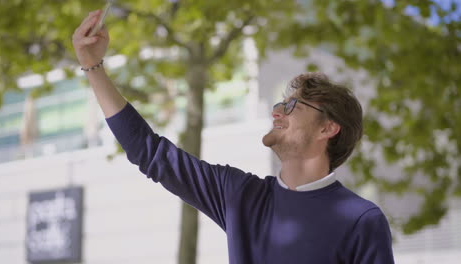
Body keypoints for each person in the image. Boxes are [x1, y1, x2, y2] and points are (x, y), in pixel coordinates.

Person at [73, 10, 395, 264]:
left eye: (293, 105)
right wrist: (93, 66)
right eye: (280, 103)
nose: (277, 111)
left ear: (328, 128)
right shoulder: (239, 195)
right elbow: (149, 152)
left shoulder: (361, 220)